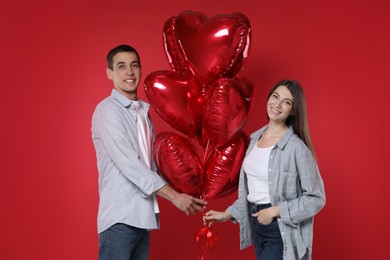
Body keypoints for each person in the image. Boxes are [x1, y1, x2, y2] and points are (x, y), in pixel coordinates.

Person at [91, 44, 207, 260]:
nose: (129, 72)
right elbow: (130, 164)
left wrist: (189, 189)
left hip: (143, 218)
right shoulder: (107, 111)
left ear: (141, 70)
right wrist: (174, 197)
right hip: (120, 219)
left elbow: (151, 164)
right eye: (121, 66)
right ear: (109, 73)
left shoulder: (143, 113)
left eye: (134, 65)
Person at [203, 80, 325, 260]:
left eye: (287, 101)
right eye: (275, 96)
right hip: (257, 225)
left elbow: (316, 198)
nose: (277, 104)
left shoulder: (297, 149)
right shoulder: (254, 140)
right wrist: (227, 214)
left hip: (279, 230)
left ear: (292, 110)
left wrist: (275, 211)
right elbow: (255, 191)